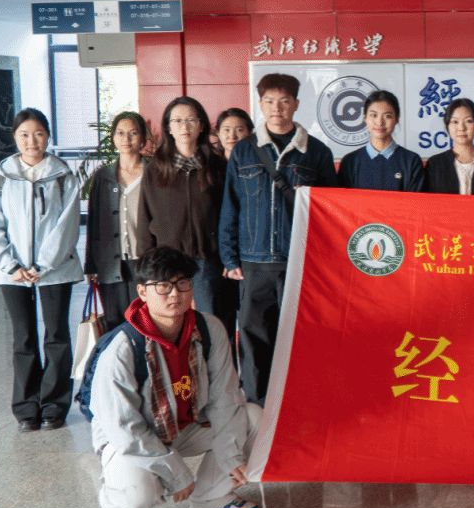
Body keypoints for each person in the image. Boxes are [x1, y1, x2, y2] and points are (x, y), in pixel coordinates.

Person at [91, 246, 263, 508]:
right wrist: (177, 474)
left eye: (182, 283)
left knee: (253, 417)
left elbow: (225, 398)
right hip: (134, 438)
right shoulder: (122, 348)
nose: (175, 294)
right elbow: (125, 429)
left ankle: (211, 498)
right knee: (136, 495)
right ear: (142, 292)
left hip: (186, 425)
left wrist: (231, 455)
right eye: (163, 286)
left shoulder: (209, 329)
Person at [219, 73, 337, 405]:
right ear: (260, 104)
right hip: (253, 262)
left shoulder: (316, 153)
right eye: (270, 101)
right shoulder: (244, 151)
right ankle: (258, 406)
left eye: (284, 101)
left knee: (301, 337)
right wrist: (229, 257)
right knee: (254, 339)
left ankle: (297, 405)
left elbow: (331, 213)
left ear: (296, 104)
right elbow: (231, 206)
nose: (277, 108)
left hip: (298, 261)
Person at [0, 108, 84, 432]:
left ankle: (54, 406)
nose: (31, 141)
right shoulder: (0, 177)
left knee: (57, 334)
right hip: (11, 272)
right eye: (24, 134)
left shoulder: (63, 176)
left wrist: (44, 264)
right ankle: (27, 407)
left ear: (48, 136)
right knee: (23, 336)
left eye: (38, 134)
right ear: (14, 137)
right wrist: (10, 264)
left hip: (55, 269)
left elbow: (67, 226)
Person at [137, 97, 231, 340]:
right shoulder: (155, 169)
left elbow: (230, 215)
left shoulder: (217, 166)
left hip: (208, 262)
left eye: (191, 120)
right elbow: (145, 217)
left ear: (202, 126)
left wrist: (229, 257)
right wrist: (146, 263)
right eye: (177, 121)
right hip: (168, 264)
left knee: (212, 327)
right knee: (171, 329)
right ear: (168, 127)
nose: (184, 126)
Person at [86, 111, 150, 331]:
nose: (126, 139)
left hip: (144, 260)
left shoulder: (153, 174)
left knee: (146, 322)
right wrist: (90, 265)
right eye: (120, 133)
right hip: (110, 262)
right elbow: (93, 222)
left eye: (133, 133)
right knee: (115, 324)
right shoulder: (102, 177)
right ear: (113, 138)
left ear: (143, 138)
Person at [338, 90, 426, 191]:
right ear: (365, 117)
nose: (380, 122)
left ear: (397, 119)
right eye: (374, 115)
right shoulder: (350, 162)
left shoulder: (411, 161)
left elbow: (414, 200)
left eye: (387, 116)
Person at [424, 98, 474, 195]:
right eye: (455, 122)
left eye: (468, 121)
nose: (461, 128)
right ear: (447, 126)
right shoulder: (435, 164)